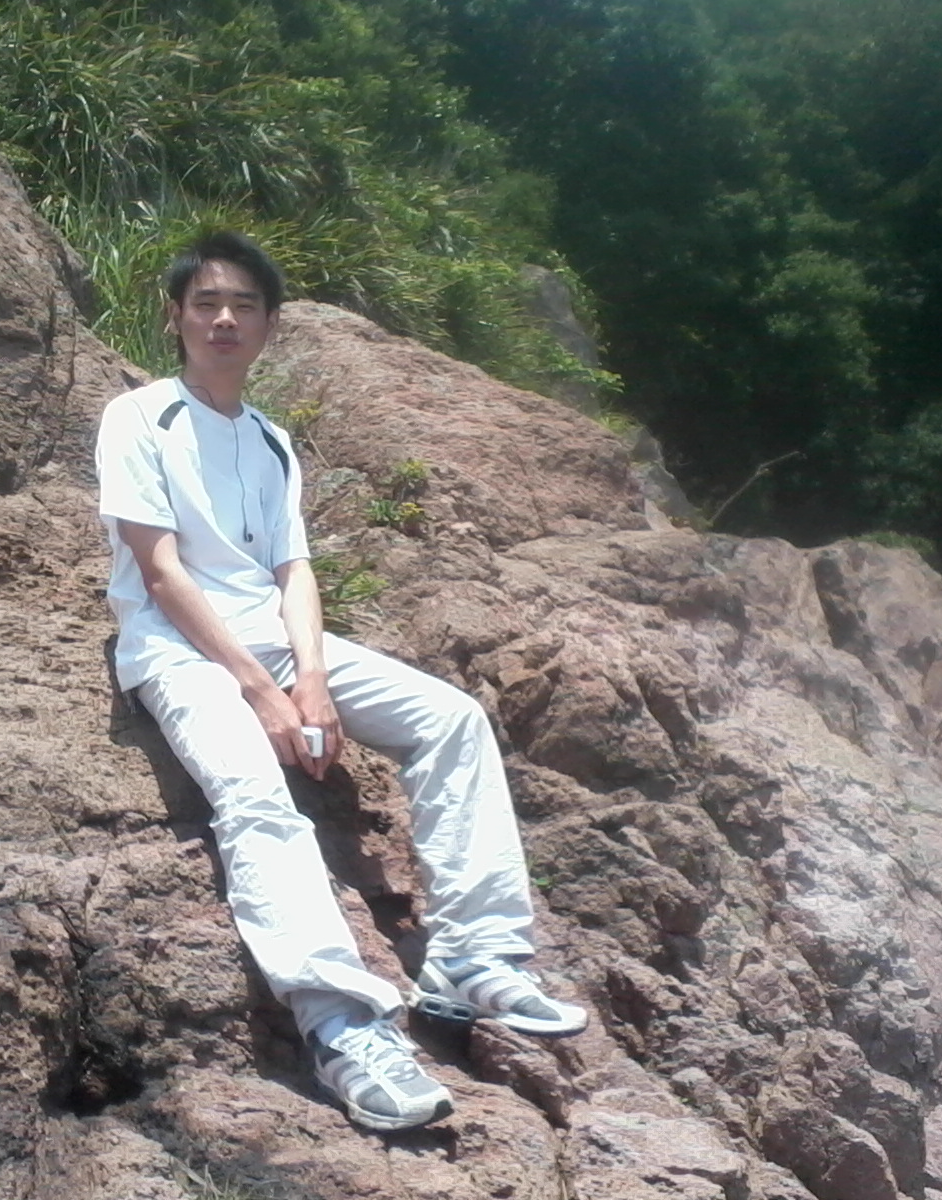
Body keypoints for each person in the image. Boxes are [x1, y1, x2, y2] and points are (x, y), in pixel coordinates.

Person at [95, 231, 586, 1132]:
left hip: (282, 645)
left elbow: (294, 571)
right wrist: (262, 692)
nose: (225, 319)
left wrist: (313, 680)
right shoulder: (138, 417)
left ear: (271, 324)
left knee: (452, 719)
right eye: (207, 303)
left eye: (244, 305)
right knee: (255, 794)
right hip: (178, 651)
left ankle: (473, 957)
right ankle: (342, 1027)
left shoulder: (272, 441)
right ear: (176, 317)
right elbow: (160, 571)